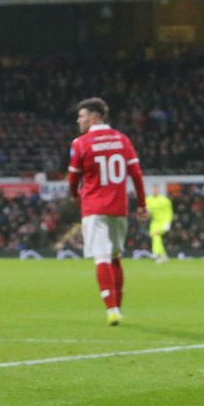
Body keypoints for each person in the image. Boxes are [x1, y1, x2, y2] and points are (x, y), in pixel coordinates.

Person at [67, 97, 148, 325]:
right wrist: (142, 204)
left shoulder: (81, 143)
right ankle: (118, 306)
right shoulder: (123, 140)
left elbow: (74, 178)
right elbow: (137, 175)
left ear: (95, 117)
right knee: (115, 256)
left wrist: (74, 195)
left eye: (82, 116)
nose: (78, 120)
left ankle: (111, 308)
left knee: (101, 256)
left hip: (94, 207)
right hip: (118, 207)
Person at [144, 184, 174, 263]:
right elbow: (147, 212)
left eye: (156, 189)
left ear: (159, 190)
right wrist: (146, 215)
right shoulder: (148, 199)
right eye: (154, 189)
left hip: (163, 222)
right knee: (156, 237)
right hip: (154, 222)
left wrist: (168, 223)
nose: (155, 191)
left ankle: (156, 253)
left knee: (156, 235)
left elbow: (169, 212)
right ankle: (163, 256)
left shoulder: (165, 200)